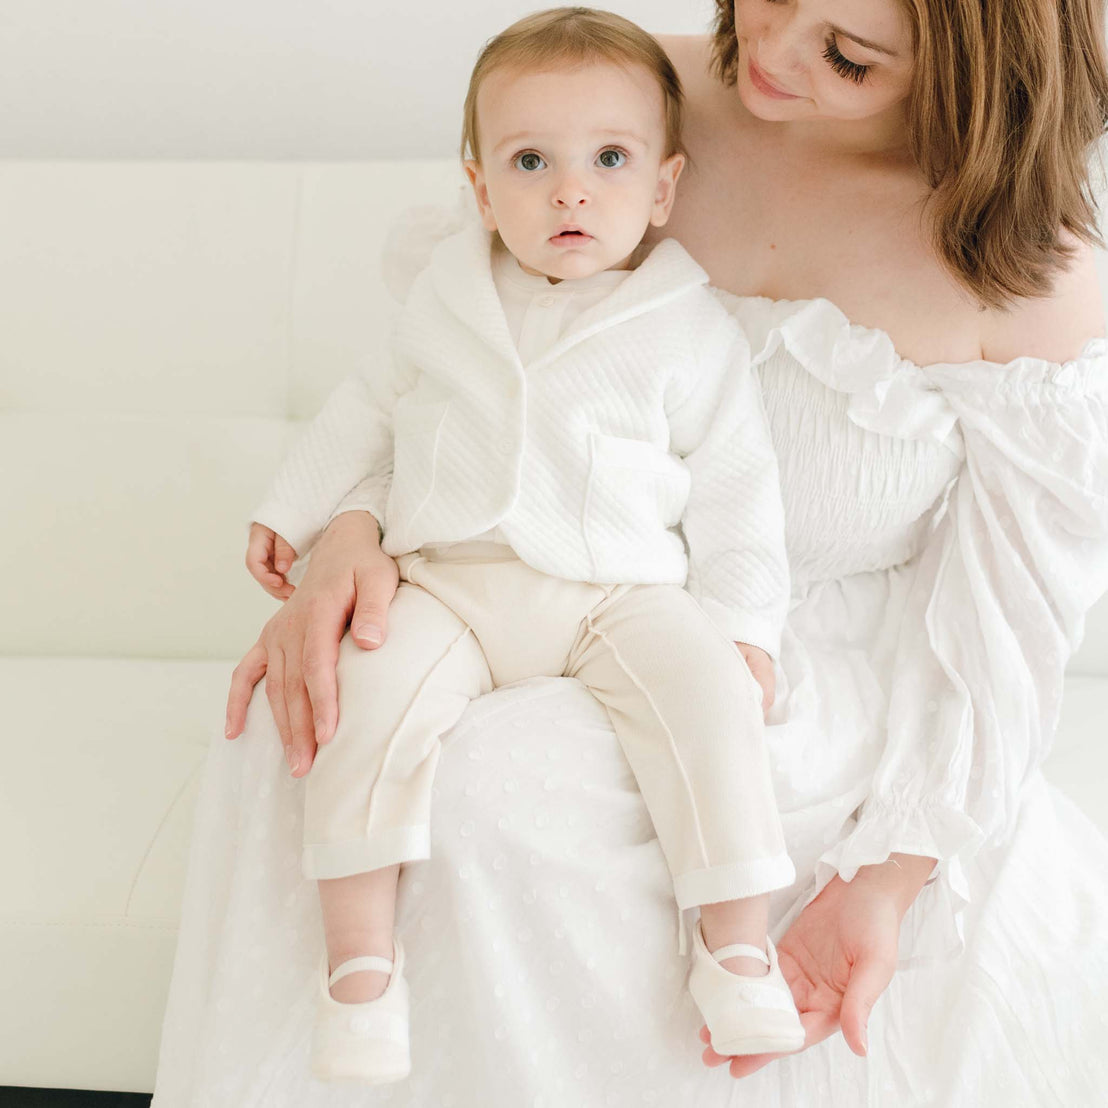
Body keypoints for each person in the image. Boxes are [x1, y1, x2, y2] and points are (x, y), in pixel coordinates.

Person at [153, 0, 1108, 1104]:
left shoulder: (1029, 267)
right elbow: (451, 368)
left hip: (790, 674)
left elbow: (1007, 639)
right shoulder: (612, 97)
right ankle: (357, 1008)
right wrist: (351, 530)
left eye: (846, 55)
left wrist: (889, 879)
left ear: (973, 70)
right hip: (506, 572)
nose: (772, 53)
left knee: (508, 793)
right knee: (304, 729)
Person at [247, 8, 806, 1084]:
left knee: (711, 703)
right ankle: (359, 964)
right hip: (448, 580)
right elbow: (368, 407)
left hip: (617, 589)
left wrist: (744, 629)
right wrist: (300, 506)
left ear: (663, 186)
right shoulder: (445, 299)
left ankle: (734, 941)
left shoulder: (686, 325)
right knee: (361, 704)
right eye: (530, 162)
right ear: (478, 185)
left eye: (608, 160)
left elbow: (739, 495)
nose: (570, 191)